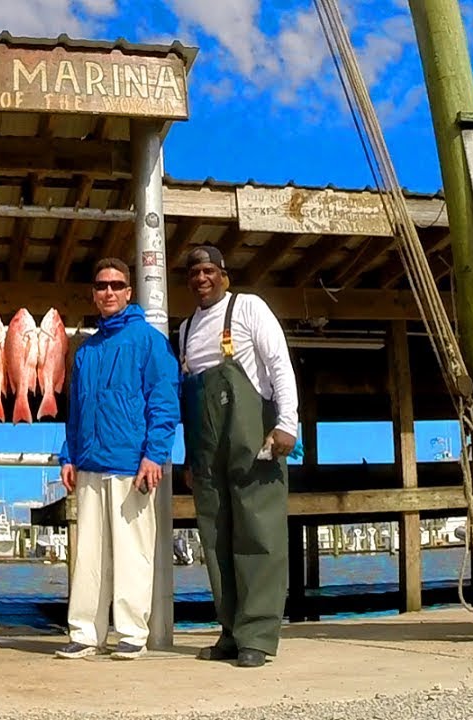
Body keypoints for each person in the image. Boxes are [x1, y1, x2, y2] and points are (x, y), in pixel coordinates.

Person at [177, 245, 298, 669]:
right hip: (207, 448)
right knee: (215, 536)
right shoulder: (185, 328)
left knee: (257, 530)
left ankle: (259, 635)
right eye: (194, 272)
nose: (201, 278)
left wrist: (288, 423)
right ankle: (230, 632)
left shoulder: (248, 308)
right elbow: (188, 400)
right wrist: (191, 457)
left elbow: (279, 365)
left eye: (209, 270)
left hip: (254, 438)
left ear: (224, 275)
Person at [54, 257, 180, 661]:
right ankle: (85, 632)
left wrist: (154, 455)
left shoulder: (148, 341)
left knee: (132, 553)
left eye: (116, 285)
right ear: (94, 293)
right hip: (89, 463)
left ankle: (130, 632)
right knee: (88, 556)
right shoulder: (85, 351)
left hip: (132, 465)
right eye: (101, 285)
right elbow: (75, 409)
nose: (108, 292)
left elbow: (164, 402)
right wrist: (68, 455)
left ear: (129, 292)